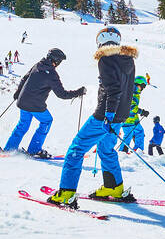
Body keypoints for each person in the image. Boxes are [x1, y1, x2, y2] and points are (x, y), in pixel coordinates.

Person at [50, 27, 139, 207]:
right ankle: (113, 187)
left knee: (76, 149)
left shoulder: (105, 58)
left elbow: (113, 89)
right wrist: (116, 116)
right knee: (106, 149)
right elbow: (127, 89)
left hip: (104, 117)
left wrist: (108, 116)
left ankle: (66, 193)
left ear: (100, 41)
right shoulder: (128, 60)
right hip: (120, 117)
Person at [1, 48, 85, 157]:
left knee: (23, 125)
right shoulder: (52, 74)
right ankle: (34, 150)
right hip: (35, 105)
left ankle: (9, 149)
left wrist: (18, 92)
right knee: (47, 121)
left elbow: (24, 78)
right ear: (56, 61)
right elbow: (62, 94)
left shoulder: (38, 65)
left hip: (23, 101)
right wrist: (78, 92)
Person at [119, 74, 151, 153]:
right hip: (127, 117)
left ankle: (138, 150)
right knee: (128, 135)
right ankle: (123, 151)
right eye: (142, 86)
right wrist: (141, 111)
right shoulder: (131, 92)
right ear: (138, 84)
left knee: (140, 131)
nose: (143, 88)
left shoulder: (135, 92)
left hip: (133, 117)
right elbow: (131, 106)